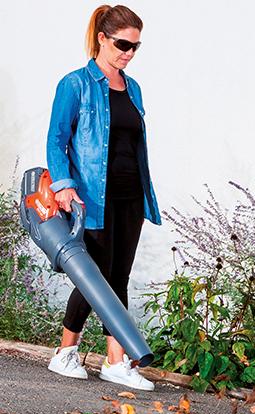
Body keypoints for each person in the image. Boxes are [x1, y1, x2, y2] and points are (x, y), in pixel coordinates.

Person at [45, 4, 161, 391]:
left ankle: (115, 361)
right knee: (93, 277)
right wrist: (64, 185)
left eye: (135, 47)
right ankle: (65, 353)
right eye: (123, 44)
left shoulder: (133, 87)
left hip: (131, 195)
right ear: (102, 38)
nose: (129, 53)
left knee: (118, 277)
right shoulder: (75, 84)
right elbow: (56, 140)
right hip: (92, 197)